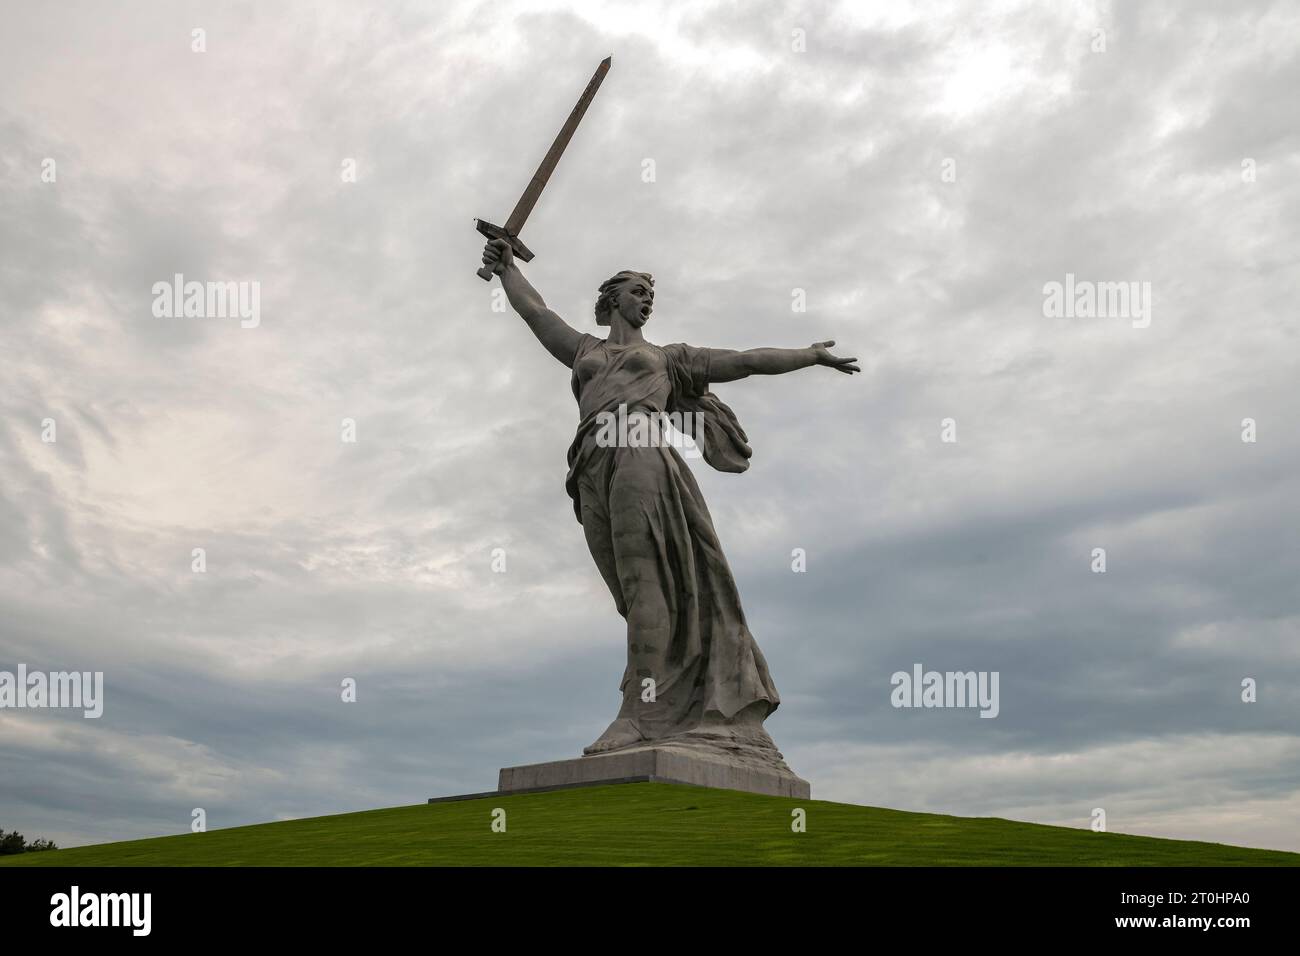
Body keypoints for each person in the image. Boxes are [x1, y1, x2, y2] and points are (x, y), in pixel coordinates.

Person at [480, 238, 859, 757]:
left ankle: (639, 714)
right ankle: (662, 697)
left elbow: (745, 361)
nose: (646, 301)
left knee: (644, 583)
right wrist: (505, 269)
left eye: (649, 297)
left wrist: (809, 356)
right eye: (637, 292)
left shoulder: (668, 359)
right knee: (627, 591)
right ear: (613, 297)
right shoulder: (584, 349)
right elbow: (535, 311)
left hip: (639, 449)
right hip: (589, 462)